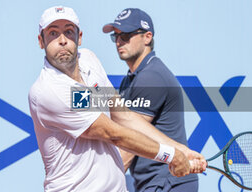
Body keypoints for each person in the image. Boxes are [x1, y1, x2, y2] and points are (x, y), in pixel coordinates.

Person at [28, 6, 206, 192]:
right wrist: (172, 155)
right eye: (53, 33)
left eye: (68, 32)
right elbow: (113, 133)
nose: (62, 40)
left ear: (79, 37)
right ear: (41, 41)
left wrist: (181, 150)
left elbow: (122, 114)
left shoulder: (89, 60)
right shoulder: (50, 91)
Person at [103, 8, 201, 192]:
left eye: (125, 35)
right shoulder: (131, 79)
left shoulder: (152, 77)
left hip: (167, 183)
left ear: (147, 37)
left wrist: (99, 186)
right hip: (155, 183)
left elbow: (129, 144)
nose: (118, 42)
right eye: (115, 36)